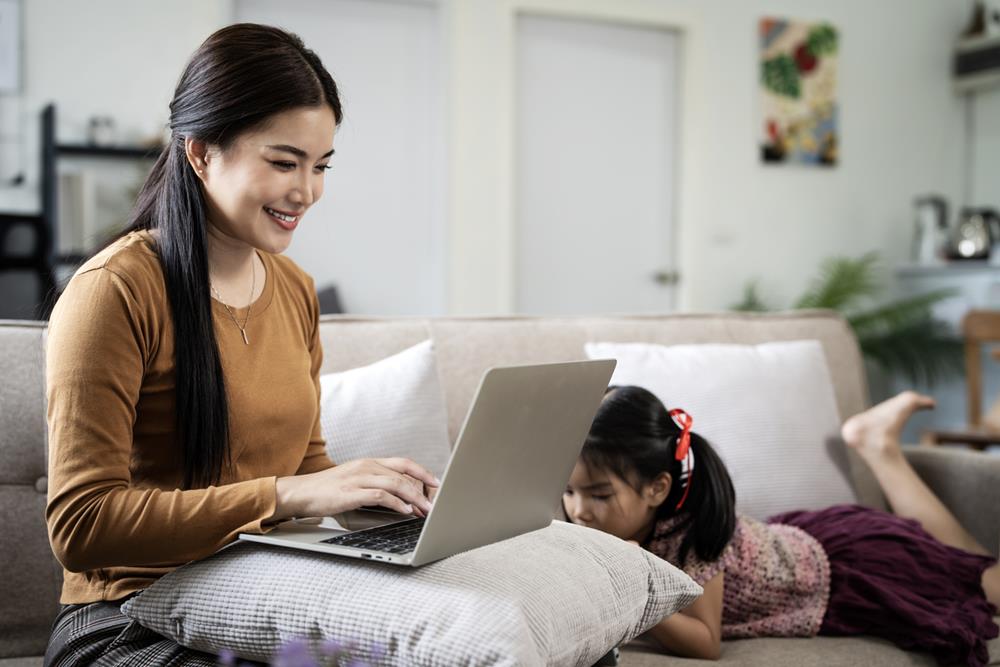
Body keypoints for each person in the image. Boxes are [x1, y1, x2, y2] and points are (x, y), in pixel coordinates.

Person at [43, 24, 438, 667]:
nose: (306, 192)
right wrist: (284, 496)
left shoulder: (293, 289)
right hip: (127, 620)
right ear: (201, 153)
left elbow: (307, 463)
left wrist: (381, 500)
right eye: (284, 162)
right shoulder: (114, 291)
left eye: (320, 166)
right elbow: (82, 526)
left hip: (260, 593)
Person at [563, 386, 999, 666]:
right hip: (798, 539)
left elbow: (706, 642)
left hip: (844, 570)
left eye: (599, 495)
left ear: (657, 489)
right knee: (957, 560)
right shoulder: (603, 522)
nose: (578, 510)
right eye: (568, 491)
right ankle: (877, 446)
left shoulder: (693, 536)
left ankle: (879, 448)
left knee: (982, 579)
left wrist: (635, 580)